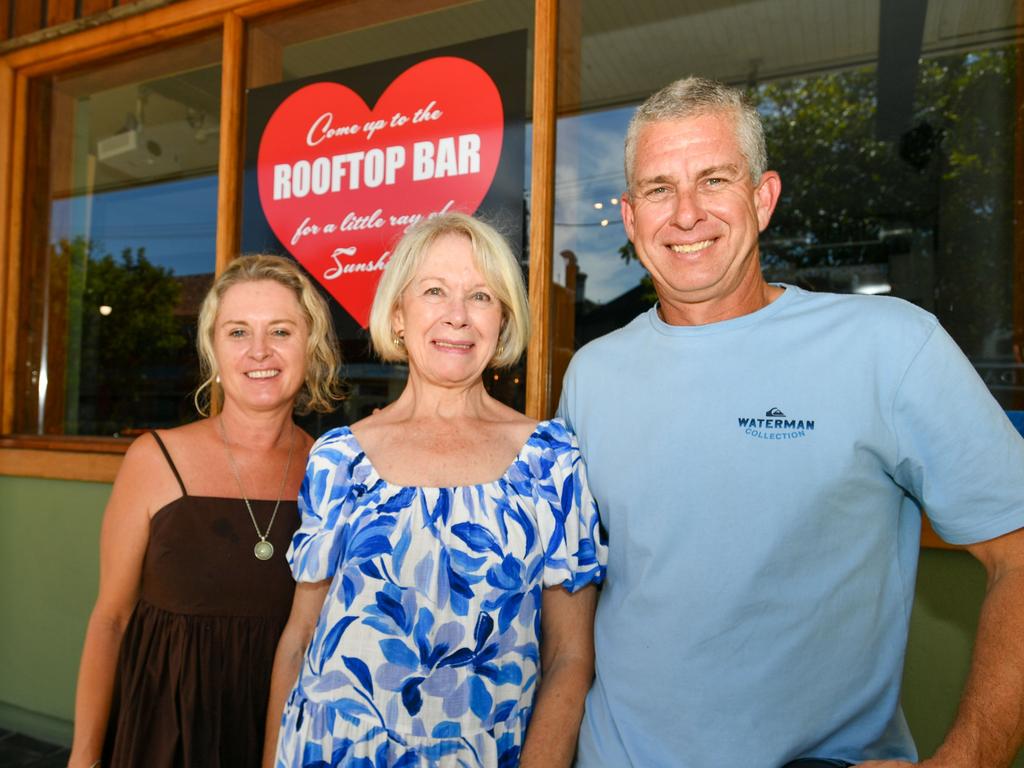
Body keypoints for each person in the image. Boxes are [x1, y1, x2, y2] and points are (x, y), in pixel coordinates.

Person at [558, 76, 1024, 767]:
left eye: (714, 179)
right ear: (630, 217)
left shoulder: (888, 347)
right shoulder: (590, 375)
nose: (685, 214)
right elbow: (575, 598)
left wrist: (968, 758)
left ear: (762, 197)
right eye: (659, 189)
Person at [263, 212, 606, 768]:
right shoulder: (338, 459)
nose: (457, 315)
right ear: (398, 315)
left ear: (502, 320)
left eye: (480, 296)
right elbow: (301, 636)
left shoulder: (551, 462)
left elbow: (570, 655)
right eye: (434, 291)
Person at [68, 254, 344, 768]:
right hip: (162, 735)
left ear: (312, 347)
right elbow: (111, 619)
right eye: (237, 332)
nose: (259, 350)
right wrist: (83, 758)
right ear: (213, 350)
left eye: (281, 331)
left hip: (278, 739)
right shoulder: (155, 459)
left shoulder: (335, 472)